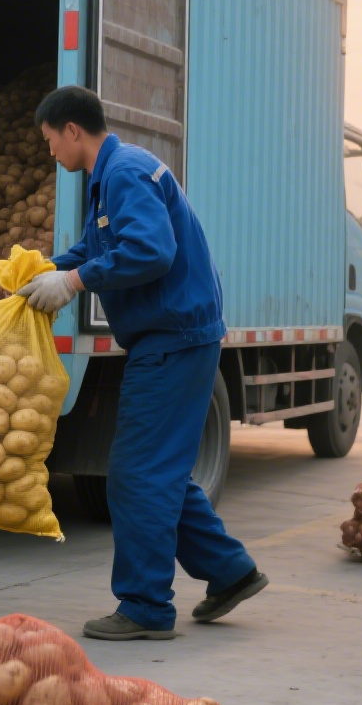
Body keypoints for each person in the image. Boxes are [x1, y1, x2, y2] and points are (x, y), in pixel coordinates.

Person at [20, 86, 266, 639]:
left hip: (172, 340)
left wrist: (73, 282)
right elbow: (98, 249)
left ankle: (146, 607)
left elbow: (153, 252)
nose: (50, 152)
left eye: (50, 140)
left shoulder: (125, 173)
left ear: (72, 130)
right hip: (176, 337)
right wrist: (46, 272)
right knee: (161, 472)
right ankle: (231, 571)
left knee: (136, 476)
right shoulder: (111, 175)